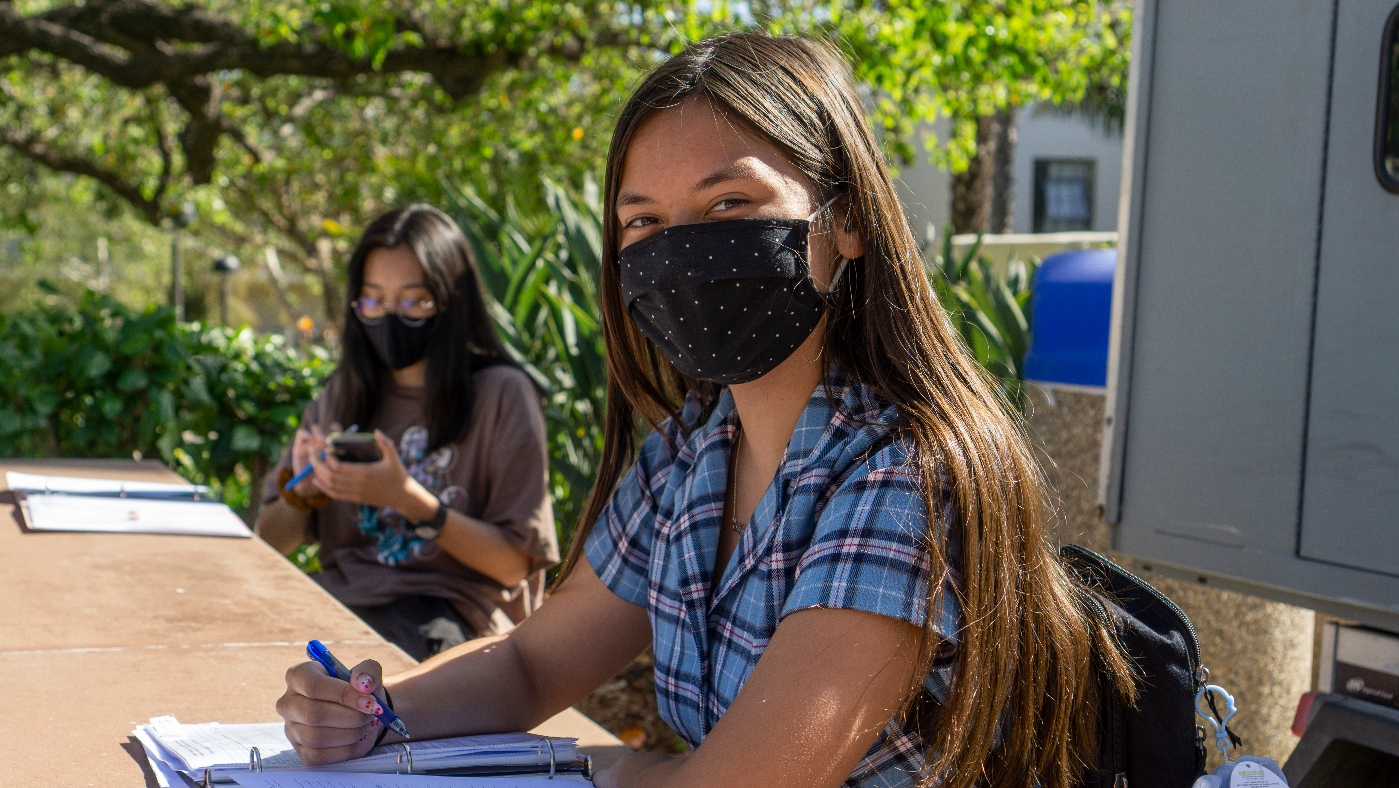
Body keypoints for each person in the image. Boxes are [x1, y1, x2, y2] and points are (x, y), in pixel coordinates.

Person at [274, 35, 1134, 788]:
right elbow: (533, 662)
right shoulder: (693, 451)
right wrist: (373, 710)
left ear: (847, 222)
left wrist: (632, 767)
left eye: (730, 206)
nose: (680, 250)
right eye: (642, 221)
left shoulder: (904, 475)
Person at [257, 205, 558, 661]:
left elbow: (514, 564)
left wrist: (405, 498)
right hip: (338, 605)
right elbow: (270, 540)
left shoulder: (501, 394)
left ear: (452, 301)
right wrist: (304, 492)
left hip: (451, 619)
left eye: (414, 301)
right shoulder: (345, 392)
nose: (390, 317)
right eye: (374, 300)